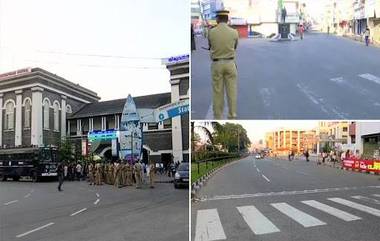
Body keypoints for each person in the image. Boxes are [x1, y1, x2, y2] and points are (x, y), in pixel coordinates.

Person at [208, 9, 239, 119]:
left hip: (217, 64)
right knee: (232, 91)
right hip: (230, 63)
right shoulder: (234, 32)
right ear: (227, 19)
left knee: (217, 92)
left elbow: (210, 46)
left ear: (217, 19)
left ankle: (218, 116)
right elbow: (235, 47)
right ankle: (232, 115)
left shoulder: (211, 32)